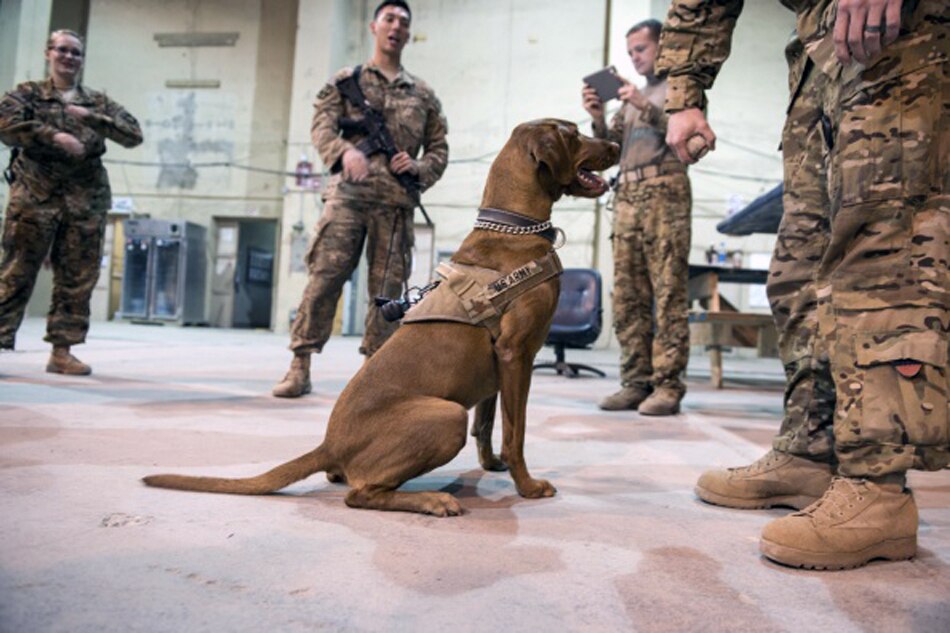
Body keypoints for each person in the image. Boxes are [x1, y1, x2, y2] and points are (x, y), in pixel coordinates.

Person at [658, 0, 947, 569]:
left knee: (885, 252)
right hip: (818, 52)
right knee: (801, 264)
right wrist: (686, 88)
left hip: (898, 32)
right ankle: (812, 453)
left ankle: (878, 487)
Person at [272, 0, 448, 398]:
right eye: (389, 18)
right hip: (347, 198)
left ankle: (374, 375)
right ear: (374, 27)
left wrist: (417, 168)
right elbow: (321, 125)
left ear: (408, 33)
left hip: (395, 205)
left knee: (387, 293)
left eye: (404, 21)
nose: (397, 26)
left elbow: (439, 148)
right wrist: (342, 152)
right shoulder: (346, 80)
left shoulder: (422, 94)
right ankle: (300, 364)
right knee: (324, 279)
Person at [0, 29, 143, 374]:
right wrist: (55, 135)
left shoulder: (97, 101)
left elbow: (133, 135)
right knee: (15, 271)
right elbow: (5, 125)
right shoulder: (27, 95)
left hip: (85, 198)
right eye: (62, 50)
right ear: (48, 53)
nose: (69, 57)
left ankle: (62, 352)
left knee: (78, 276)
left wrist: (92, 119)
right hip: (34, 195)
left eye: (76, 53)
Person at [581, 19, 691, 416]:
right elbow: (606, 147)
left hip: (665, 194)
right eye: (630, 53)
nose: (635, 59)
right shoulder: (629, 101)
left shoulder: (680, 92)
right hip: (627, 196)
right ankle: (635, 381)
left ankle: (667, 385)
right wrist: (598, 115)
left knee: (668, 292)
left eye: (641, 50)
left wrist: (646, 106)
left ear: (663, 46)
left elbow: (690, 141)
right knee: (628, 295)